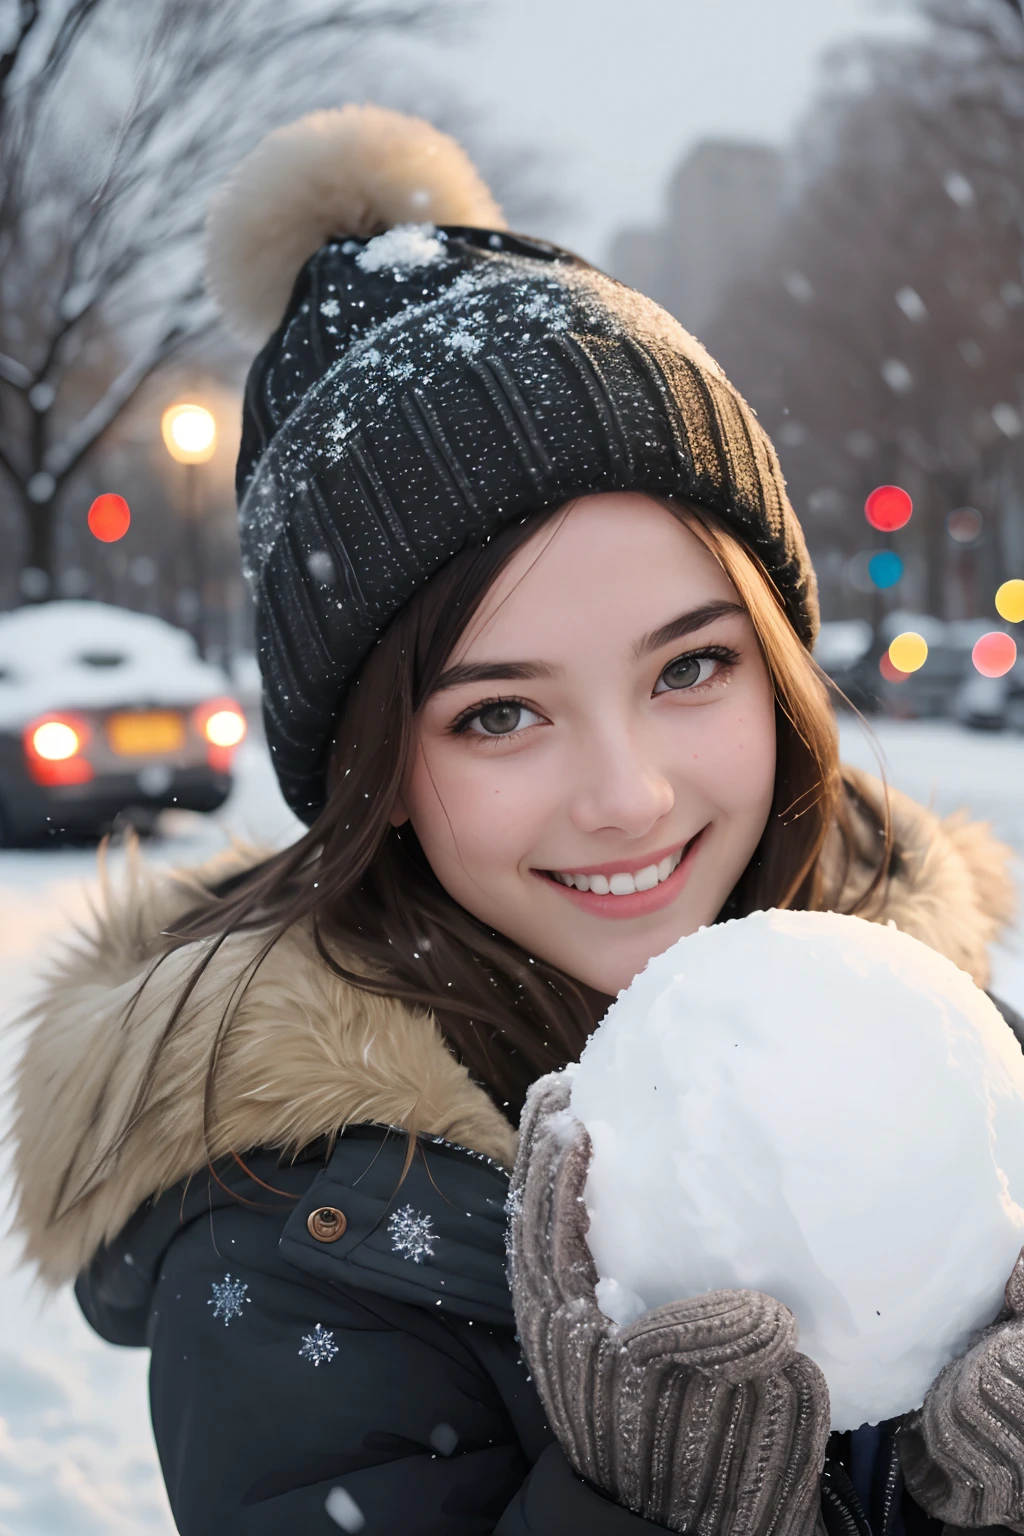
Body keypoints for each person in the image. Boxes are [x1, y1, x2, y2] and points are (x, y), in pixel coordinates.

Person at [10, 105, 1024, 1535]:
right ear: (374, 770)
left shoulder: (933, 1025)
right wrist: (655, 1510)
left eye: (691, 667)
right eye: (498, 712)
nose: (628, 796)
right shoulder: (287, 1241)